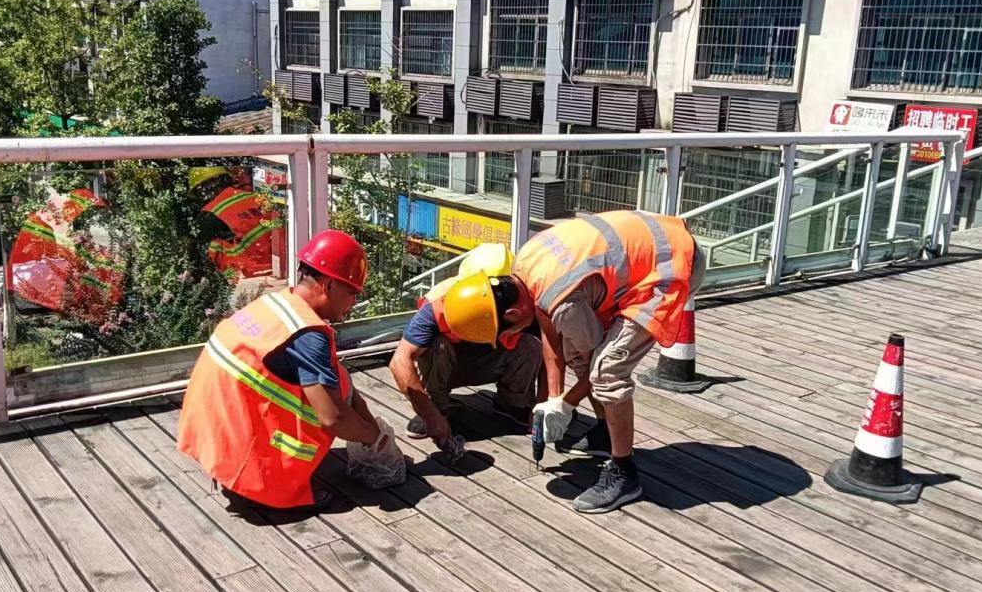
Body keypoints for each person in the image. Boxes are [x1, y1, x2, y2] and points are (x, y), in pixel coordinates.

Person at [439, 210, 706, 514]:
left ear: (512, 315)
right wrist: (552, 398)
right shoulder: (525, 267)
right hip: (654, 250)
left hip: (673, 263)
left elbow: (594, 368)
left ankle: (624, 473)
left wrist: (566, 405)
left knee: (608, 371)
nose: (508, 339)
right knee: (579, 353)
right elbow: (552, 339)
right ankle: (606, 433)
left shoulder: (562, 302)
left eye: (506, 333)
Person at [178, 229, 403, 511]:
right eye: (351, 293)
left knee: (339, 379)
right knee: (334, 399)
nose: (353, 303)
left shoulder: (279, 303)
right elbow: (332, 418)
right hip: (244, 454)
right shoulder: (308, 335)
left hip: (211, 433)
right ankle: (272, 484)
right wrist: (375, 439)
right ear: (328, 285)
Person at [389, 243, 543, 451]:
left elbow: (551, 353)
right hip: (447, 365)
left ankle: (513, 404)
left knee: (531, 346)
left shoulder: (526, 305)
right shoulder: (440, 301)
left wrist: (543, 404)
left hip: (490, 361)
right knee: (436, 345)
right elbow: (399, 361)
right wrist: (430, 414)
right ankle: (437, 406)